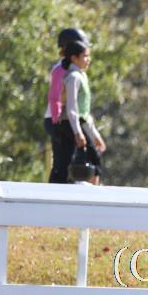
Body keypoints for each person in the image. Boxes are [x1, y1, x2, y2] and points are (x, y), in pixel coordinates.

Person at [46, 28, 90, 184]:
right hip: (59, 119)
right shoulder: (63, 69)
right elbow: (57, 98)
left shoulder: (74, 70)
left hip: (65, 118)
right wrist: (58, 118)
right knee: (63, 162)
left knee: (64, 160)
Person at [60, 40, 105, 185]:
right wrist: (77, 132)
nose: (88, 60)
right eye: (85, 56)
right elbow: (72, 107)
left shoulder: (81, 76)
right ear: (74, 58)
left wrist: (94, 134)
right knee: (92, 162)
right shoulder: (73, 77)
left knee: (93, 161)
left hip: (80, 123)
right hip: (72, 123)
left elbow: (84, 111)